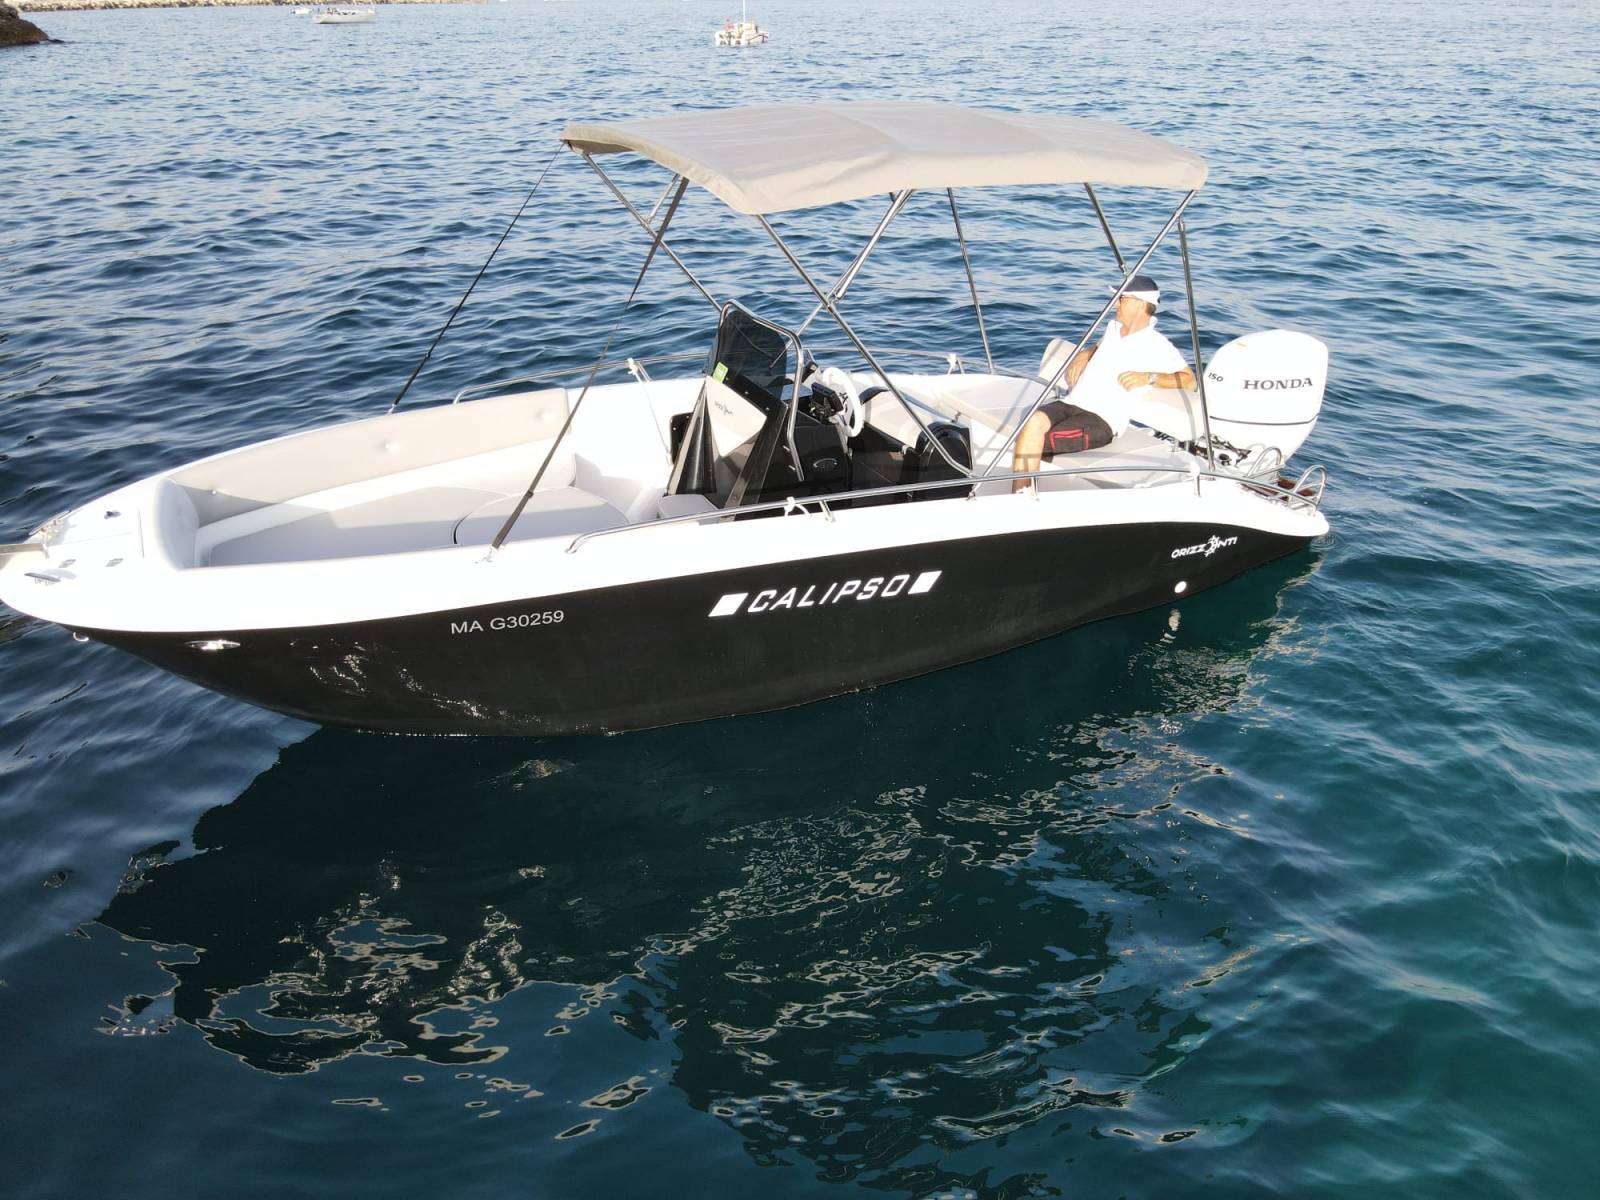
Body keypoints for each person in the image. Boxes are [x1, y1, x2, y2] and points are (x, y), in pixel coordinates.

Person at [1012, 275, 1196, 491]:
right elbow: (1100, 347)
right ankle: (1021, 494)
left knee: (1031, 440)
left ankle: (1022, 497)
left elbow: (1189, 380)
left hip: (1101, 421)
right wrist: (1084, 354)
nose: (1115, 302)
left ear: (1138, 304)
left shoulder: (1157, 344)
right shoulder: (1113, 328)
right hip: (1071, 403)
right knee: (1031, 423)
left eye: (1121, 298)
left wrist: (1149, 377)